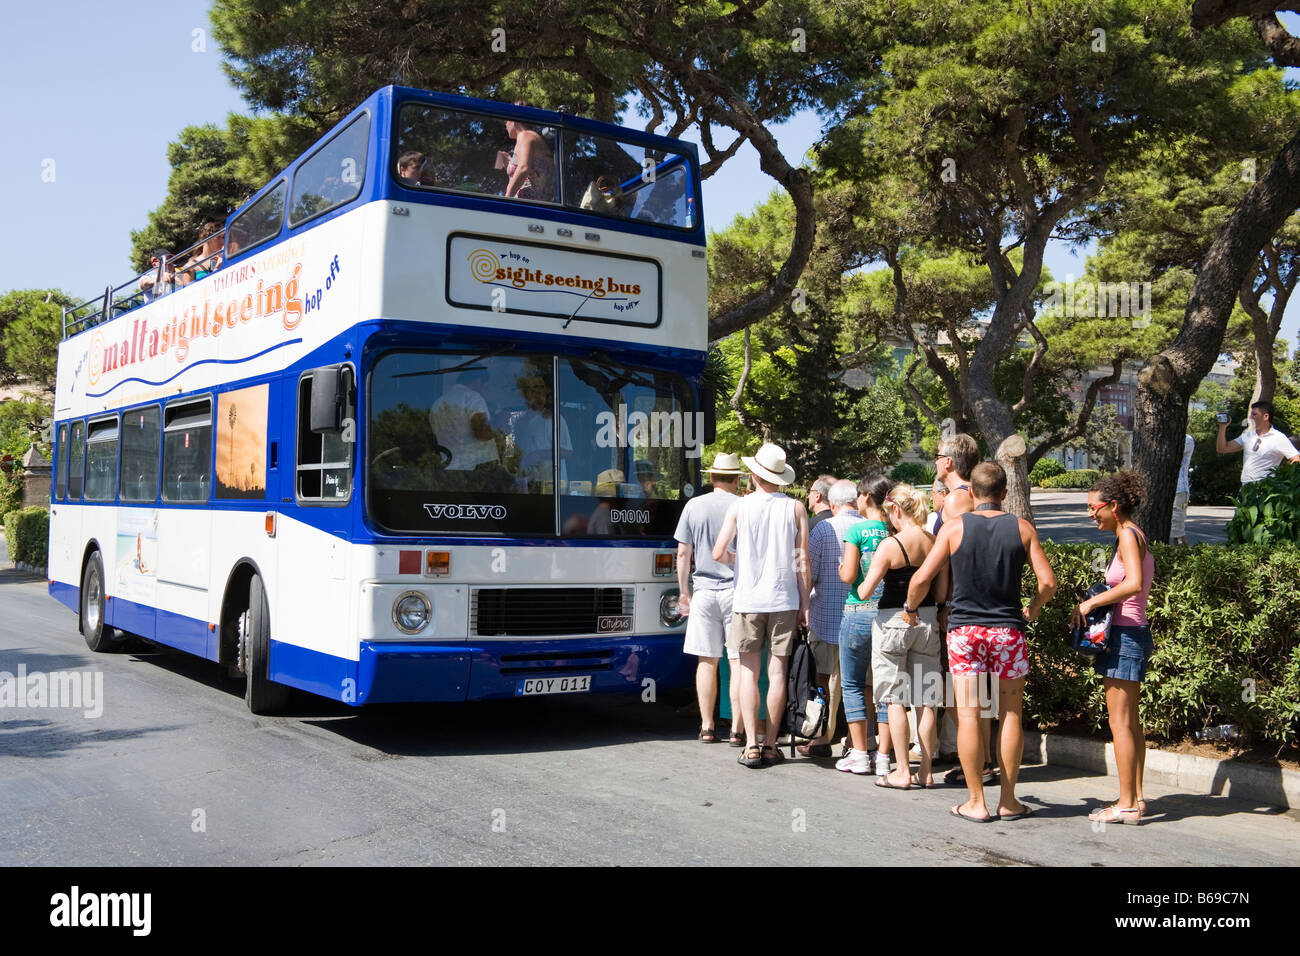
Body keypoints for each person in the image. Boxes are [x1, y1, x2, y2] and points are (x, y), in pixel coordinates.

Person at [903, 461, 1057, 822]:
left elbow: (923, 577)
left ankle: (976, 802)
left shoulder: (955, 528)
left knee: (970, 715)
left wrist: (911, 607)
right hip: (1008, 632)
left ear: (971, 493)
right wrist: (1032, 608)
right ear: (1004, 494)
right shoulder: (1021, 528)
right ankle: (1009, 801)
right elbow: (1048, 582)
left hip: (966, 633)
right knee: (1010, 714)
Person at [712, 443, 810, 769]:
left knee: (747, 673)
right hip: (784, 599)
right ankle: (771, 745)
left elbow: (717, 552)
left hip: (747, 600)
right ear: (780, 477)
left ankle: (750, 744)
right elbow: (802, 560)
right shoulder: (795, 508)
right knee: (778, 671)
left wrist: (740, 561)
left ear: (754, 475)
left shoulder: (740, 507)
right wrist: (805, 601)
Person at [1073, 471, 1154, 825]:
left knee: (1120, 724)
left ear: (1114, 506)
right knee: (1131, 724)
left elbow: (1134, 583)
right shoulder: (1130, 534)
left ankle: (1126, 804)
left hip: (1124, 636)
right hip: (1132, 633)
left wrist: (1091, 604)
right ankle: (1135, 798)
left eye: (1095, 508)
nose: (1092, 514)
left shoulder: (1127, 536)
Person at [859, 484, 948, 789]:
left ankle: (901, 771)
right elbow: (940, 592)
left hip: (892, 621)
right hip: (928, 621)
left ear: (896, 510)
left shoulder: (889, 546)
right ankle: (925, 769)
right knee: (926, 700)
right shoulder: (935, 542)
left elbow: (865, 590)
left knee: (895, 700)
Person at [674, 453, 745, 744]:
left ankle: (707, 725)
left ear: (712, 477)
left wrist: (683, 592)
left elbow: (682, 553)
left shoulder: (694, 505)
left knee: (707, 660)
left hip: (703, 590)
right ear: (737, 478)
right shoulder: (743, 506)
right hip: (736, 591)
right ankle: (739, 729)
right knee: (739, 661)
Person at [834, 476, 894, 775]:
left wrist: (841, 567)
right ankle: (884, 756)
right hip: (886, 614)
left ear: (867, 496)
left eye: (859, 495)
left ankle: (859, 752)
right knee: (885, 686)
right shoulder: (894, 529)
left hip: (857, 610)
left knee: (853, 684)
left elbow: (848, 576)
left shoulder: (857, 529)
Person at [799, 478, 860, 757]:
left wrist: (803, 605)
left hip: (825, 618)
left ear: (832, 503)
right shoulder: (871, 528)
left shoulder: (823, 528)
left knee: (822, 680)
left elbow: (809, 572)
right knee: (857, 684)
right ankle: (857, 740)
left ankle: (822, 736)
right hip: (861, 619)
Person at [428, 367, 501, 489]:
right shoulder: (473, 398)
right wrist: (499, 423)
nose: (485, 391)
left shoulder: (437, 403)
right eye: (485, 386)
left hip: (447, 471)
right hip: (473, 474)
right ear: (478, 381)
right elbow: (482, 434)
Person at [1216, 400, 1300, 486]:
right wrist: (1223, 427)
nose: (1251, 417)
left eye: (1254, 414)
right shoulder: (1248, 435)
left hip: (1265, 489)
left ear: (1266, 416)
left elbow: (1296, 459)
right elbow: (1222, 449)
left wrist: (1286, 481)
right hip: (1246, 488)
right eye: (1251, 414)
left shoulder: (1279, 438)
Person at [510, 372, 572, 486]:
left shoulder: (553, 419)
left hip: (551, 489)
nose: (536, 397)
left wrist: (539, 454)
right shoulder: (520, 422)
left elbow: (567, 452)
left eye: (539, 394)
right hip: (526, 485)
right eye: (530, 394)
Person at [496, 113, 555, 201]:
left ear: (514, 121)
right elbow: (529, 173)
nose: (505, 124)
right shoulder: (528, 137)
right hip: (533, 204)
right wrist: (509, 163)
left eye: (506, 121)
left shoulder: (525, 135)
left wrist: (506, 198)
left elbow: (523, 168)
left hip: (529, 205)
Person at [1171, 433, 1193, 546]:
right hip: (1168, 489)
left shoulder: (1187, 439)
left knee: (1177, 531)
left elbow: (1170, 452)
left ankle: (1183, 556)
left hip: (1179, 491)